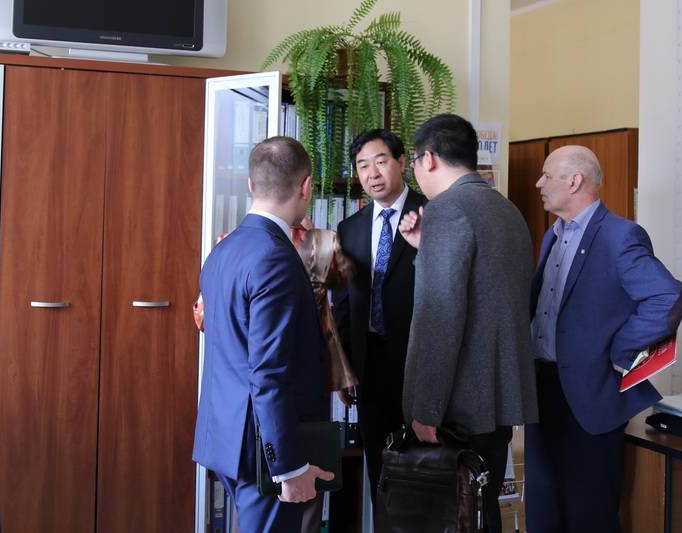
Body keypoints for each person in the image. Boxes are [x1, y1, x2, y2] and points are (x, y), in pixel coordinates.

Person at [525, 145, 682, 533]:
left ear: (574, 180)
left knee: (589, 512)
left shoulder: (620, 236)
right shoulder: (552, 235)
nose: (539, 183)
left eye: (547, 175)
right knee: (544, 507)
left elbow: (668, 297)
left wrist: (623, 349)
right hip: (542, 389)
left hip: (590, 395)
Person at [398, 113, 538, 533]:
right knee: (481, 510)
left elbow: (441, 317)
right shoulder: (506, 209)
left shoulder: (446, 210)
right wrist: (425, 250)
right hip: (498, 399)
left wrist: (427, 409)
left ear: (428, 159)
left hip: (456, 407)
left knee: (451, 518)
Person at [193, 136, 334, 532]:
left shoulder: (222, 251)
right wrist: (288, 466)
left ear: (251, 184)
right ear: (306, 186)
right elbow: (268, 370)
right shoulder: (275, 257)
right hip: (262, 446)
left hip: (225, 434)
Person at [332, 129, 427, 508]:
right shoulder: (350, 228)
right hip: (370, 364)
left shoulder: (431, 214)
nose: (372, 173)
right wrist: (343, 367)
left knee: (425, 468)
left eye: (381, 161)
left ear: (402, 163)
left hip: (420, 364)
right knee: (380, 469)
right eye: (362, 166)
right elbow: (342, 303)